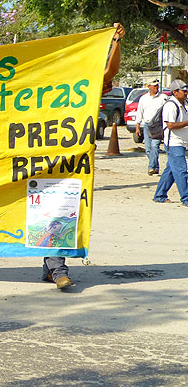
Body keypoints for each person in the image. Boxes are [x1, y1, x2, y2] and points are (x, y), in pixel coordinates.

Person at [42, 23, 125, 290]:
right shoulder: (34, 88)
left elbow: (110, 71)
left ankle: (54, 267)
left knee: (59, 209)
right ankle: (55, 267)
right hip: (38, 159)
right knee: (48, 210)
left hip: (73, 159)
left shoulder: (81, 85)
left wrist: (114, 42)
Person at [153, 79, 188, 205]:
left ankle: (160, 195)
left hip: (182, 142)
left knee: (171, 171)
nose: (186, 93)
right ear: (175, 92)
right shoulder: (170, 105)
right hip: (173, 143)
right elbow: (171, 125)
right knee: (181, 170)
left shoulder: (185, 104)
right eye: (183, 91)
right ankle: (186, 198)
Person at [135, 79, 168, 175]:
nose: (156, 87)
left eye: (157, 85)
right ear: (149, 86)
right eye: (154, 86)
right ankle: (155, 166)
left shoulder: (163, 98)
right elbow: (140, 113)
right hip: (147, 125)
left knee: (155, 146)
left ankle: (151, 167)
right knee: (148, 149)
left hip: (158, 126)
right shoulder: (144, 99)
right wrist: (137, 126)